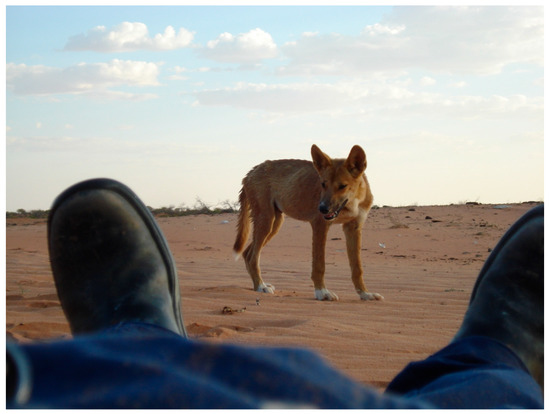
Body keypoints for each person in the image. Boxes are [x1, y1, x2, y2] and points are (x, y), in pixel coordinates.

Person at [6, 178, 543, 409]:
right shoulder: (314, 190)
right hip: (269, 186)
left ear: (357, 176)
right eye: (326, 184)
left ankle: (133, 342)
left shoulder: (360, 193)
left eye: (337, 186)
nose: (329, 194)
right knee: (493, 388)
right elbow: (320, 221)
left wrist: (359, 285)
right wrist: (318, 281)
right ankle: (498, 362)